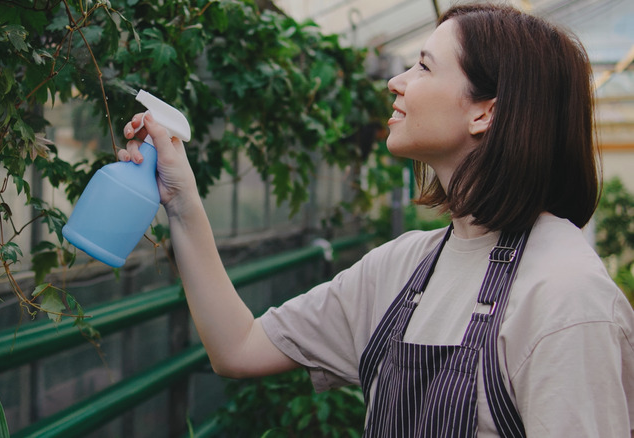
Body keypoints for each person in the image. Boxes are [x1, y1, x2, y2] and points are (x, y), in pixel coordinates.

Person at [121, 3, 634, 437]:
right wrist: (181, 199)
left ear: (485, 113)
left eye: (424, 68)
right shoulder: (406, 266)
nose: (396, 81)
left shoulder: (565, 296)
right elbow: (238, 348)